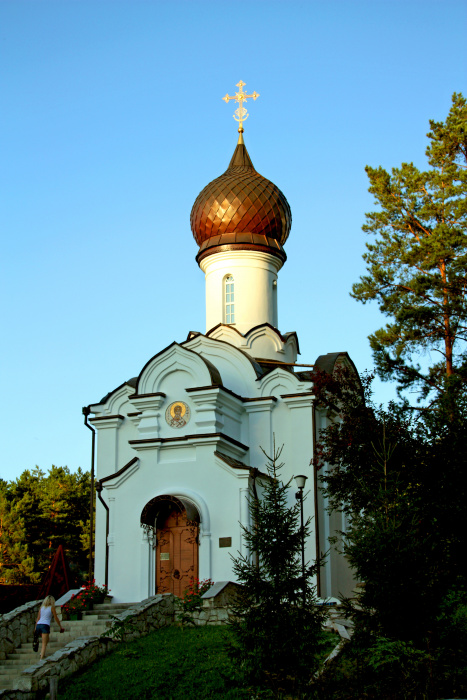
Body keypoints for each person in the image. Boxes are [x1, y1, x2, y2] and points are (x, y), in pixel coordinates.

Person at [34, 595, 65, 660]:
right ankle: (41, 658)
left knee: (46, 639)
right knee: (44, 644)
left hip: (39, 625)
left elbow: (38, 618)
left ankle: (41, 653)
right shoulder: (52, 607)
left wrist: (35, 628)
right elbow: (56, 617)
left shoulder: (41, 607)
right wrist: (60, 626)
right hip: (45, 625)